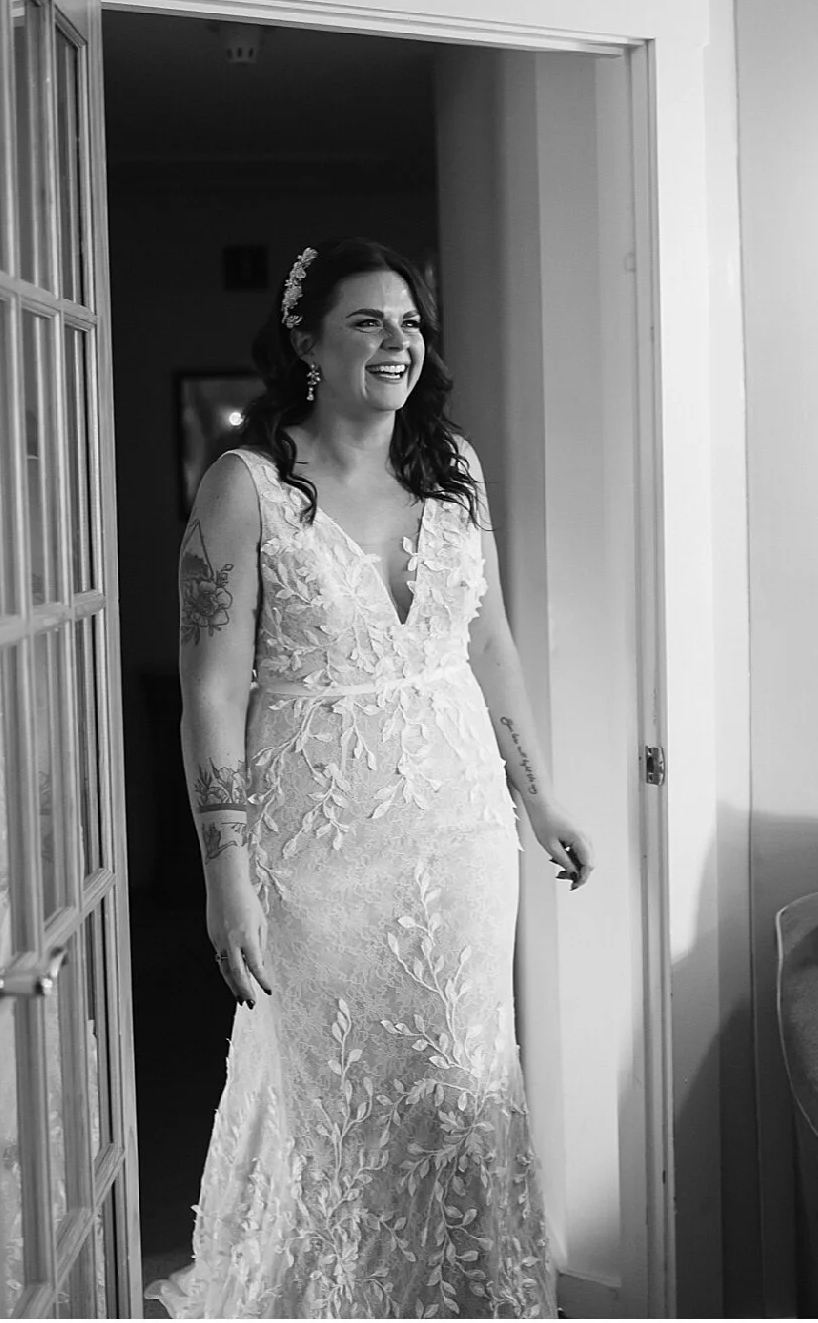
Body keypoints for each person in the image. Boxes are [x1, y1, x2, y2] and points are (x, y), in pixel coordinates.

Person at [154, 238, 593, 1319]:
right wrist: (225, 872)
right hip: (316, 854)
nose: (397, 342)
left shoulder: (455, 470)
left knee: (461, 1082)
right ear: (306, 343)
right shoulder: (246, 489)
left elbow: (488, 642)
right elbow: (211, 692)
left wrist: (537, 796)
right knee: (331, 1103)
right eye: (367, 321)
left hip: (460, 838)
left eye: (409, 323)